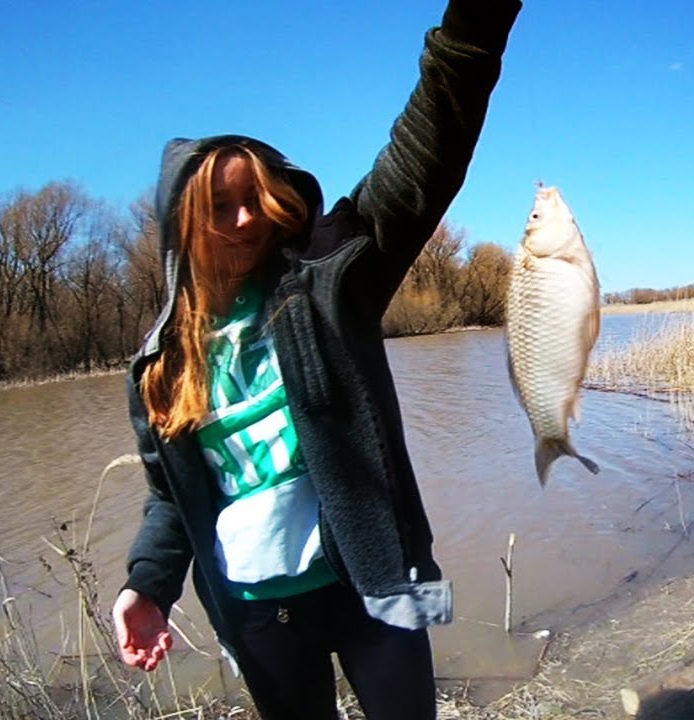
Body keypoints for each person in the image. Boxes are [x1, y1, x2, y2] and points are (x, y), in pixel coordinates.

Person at [110, 2, 521, 718]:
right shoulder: (160, 363)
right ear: (185, 225)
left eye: (255, 198)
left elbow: (427, 153)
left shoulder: (329, 281)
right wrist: (147, 585)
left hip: (370, 582)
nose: (243, 219)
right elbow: (171, 499)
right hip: (255, 615)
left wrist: (475, 25)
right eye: (220, 206)